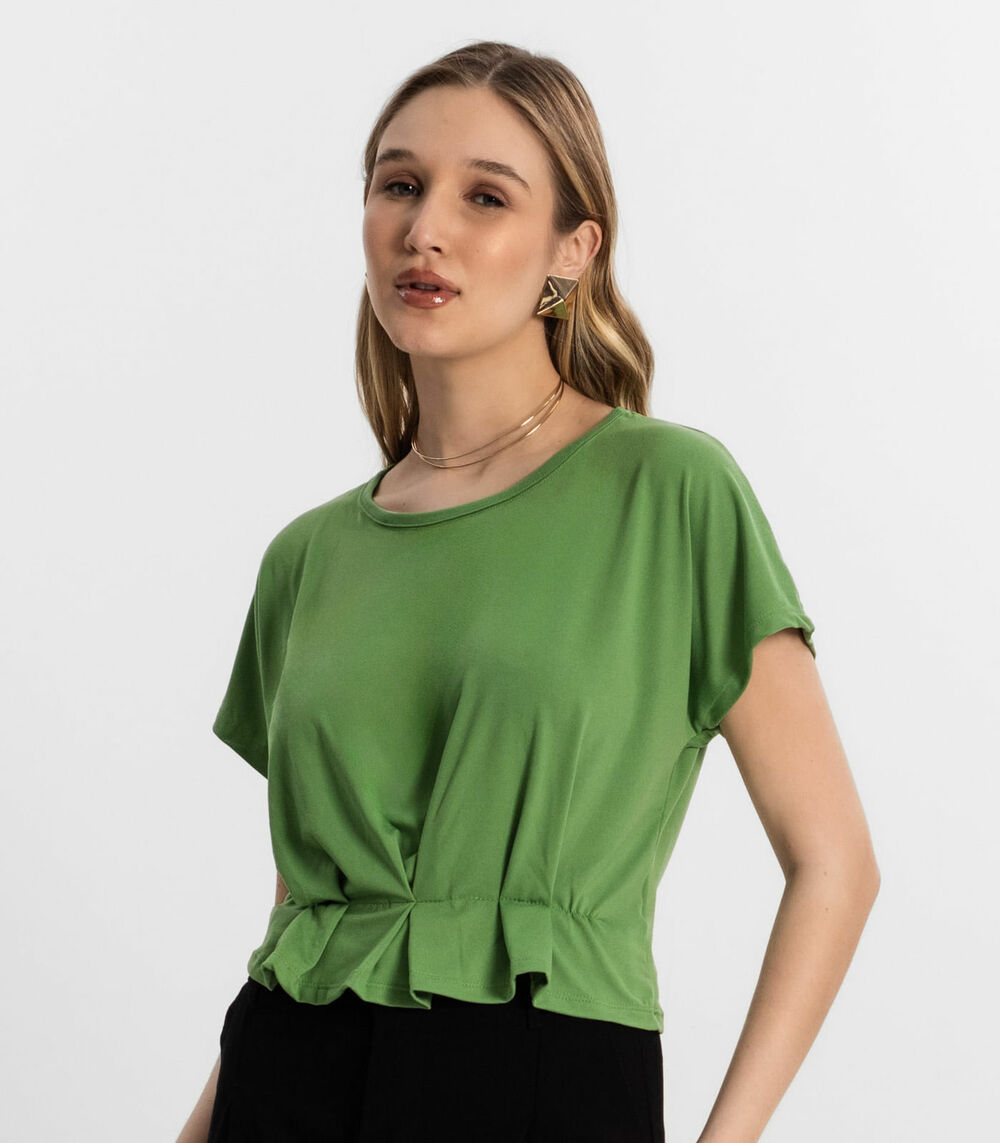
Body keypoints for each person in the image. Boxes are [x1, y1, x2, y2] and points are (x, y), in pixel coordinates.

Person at [176, 39, 880, 1143]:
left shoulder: (667, 493)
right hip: (288, 1072)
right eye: (399, 185)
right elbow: (304, 911)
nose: (426, 229)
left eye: (485, 196)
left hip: (542, 1069)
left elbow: (833, 865)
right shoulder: (307, 555)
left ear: (571, 251)